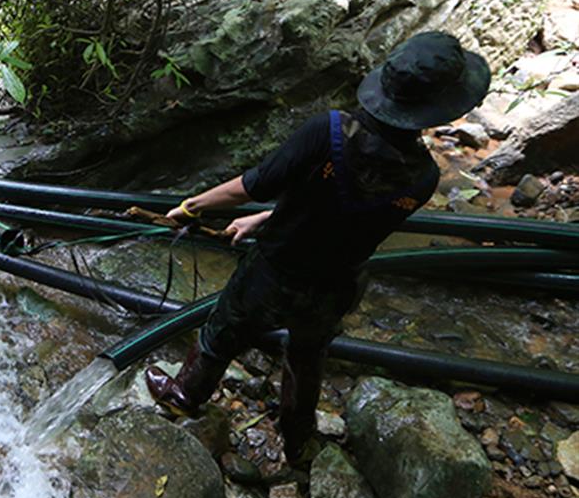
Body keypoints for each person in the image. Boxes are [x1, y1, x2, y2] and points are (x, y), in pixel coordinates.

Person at [144, 31, 490, 467]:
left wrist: (190, 207)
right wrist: (263, 219)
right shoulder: (422, 178)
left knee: (224, 329)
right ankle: (296, 439)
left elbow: (255, 185)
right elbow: (348, 216)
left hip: (274, 270)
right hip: (334, 284)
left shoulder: (326, 132)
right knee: (307, 356)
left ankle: (184, 396)